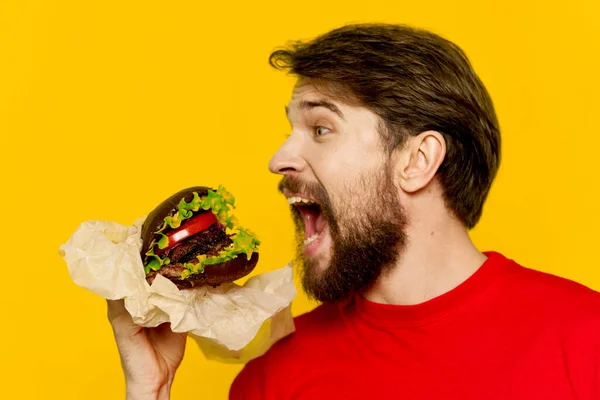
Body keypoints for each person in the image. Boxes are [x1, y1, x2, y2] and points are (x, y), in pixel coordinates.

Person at [107, 24, 600, 399]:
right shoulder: (273, 377)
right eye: (290, 130)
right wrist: (148, 391)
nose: (279, 160)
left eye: (321, 128)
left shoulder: (585, 341)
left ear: (417, 160)